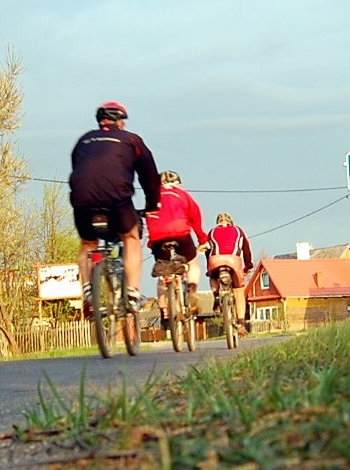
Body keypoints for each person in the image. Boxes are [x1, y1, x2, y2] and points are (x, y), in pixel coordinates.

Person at [69, 100, 161, 319]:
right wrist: (152, 204)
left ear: (100, 122)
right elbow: (150, 176)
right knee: (130, 237)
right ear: (120, 122)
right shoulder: (131, 140)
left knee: (88, 244)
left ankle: (88, 293)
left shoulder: (83, 140)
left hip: (82, 199)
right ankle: (132, 293)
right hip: (116, 198)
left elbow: (79, 169)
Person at [145, 171, 208, 328]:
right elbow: (196, 217)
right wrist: (202, 239)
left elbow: (148, 218)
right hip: (181, 233)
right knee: (193, 264)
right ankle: (192, 291)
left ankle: (165, 312)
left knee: (163, 274)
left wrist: (152, 241)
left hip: (158, 237)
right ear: (178, 183)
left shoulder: (152, 196)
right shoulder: (182, 195)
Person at [206, 212, 253, 335]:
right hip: (233, 261)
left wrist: (209, 269)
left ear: (218, 223)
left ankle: (216, 296)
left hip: (215, 260)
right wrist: (248, 266)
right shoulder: (238, 231)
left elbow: (207, 250)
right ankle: (241, 324)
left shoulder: (211, 232)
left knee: (212, 276)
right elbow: (246, 249)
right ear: (231, 222)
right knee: (239, 292)